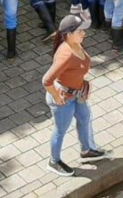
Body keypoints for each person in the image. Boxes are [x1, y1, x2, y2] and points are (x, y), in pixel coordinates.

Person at [42, 14, 107, 177]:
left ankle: (86, 151)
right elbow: (46, 80)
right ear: (69, 34)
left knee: (84, 117)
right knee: (60, 130)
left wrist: (83, 85)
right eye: (80, 31)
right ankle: (54, 161)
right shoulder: (66, 55)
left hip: (77, 94)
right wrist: (57, 98)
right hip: (64, 99)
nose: (84, 33)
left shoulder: (75, 44)